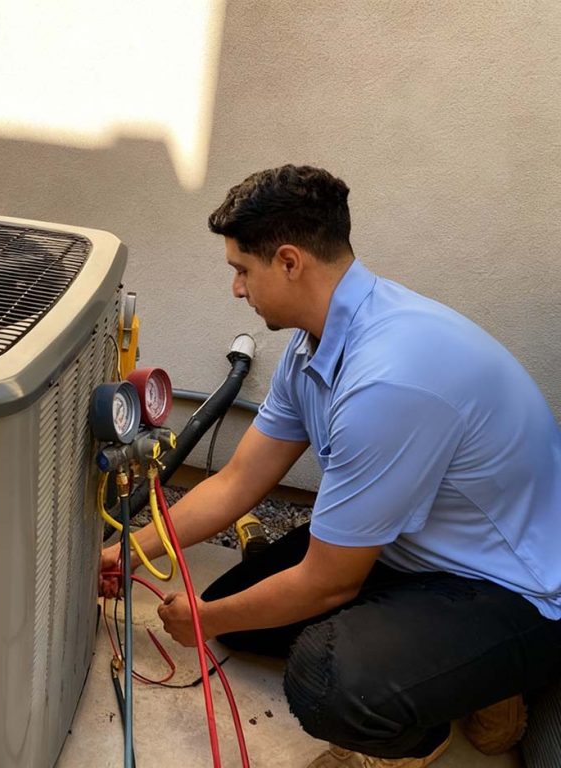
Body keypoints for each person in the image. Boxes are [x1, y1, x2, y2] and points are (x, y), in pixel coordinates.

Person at [99, 165, 561, 768]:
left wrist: (204, 619)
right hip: (417, 549)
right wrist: (131, 549)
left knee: (327, 680)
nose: (237, 289)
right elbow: (240, 480)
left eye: (242, 270)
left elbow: (329, 582)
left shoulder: (388, 379)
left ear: (289, 261)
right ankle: (451, 674)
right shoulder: (313, 342)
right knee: (242, 619)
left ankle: (421, 736)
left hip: (513, 590)